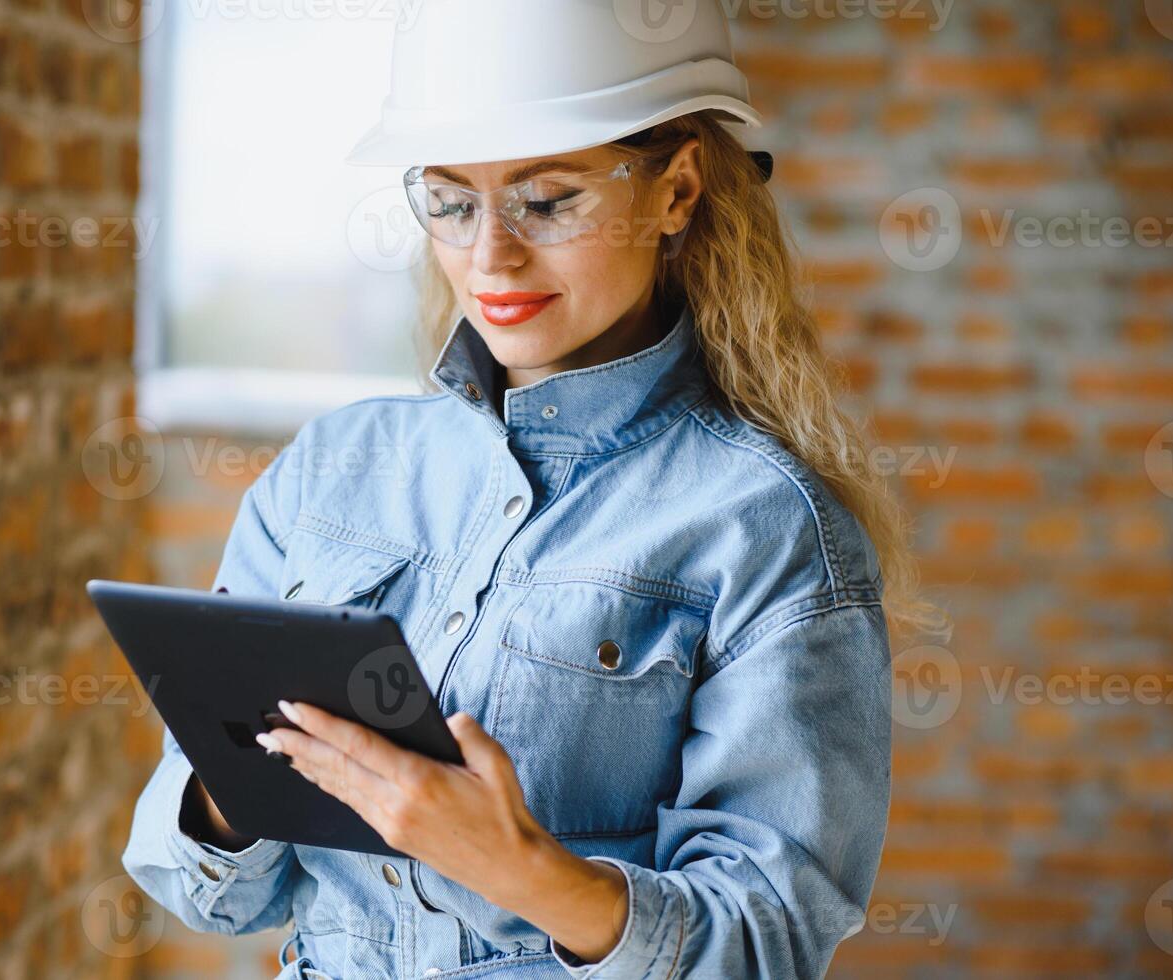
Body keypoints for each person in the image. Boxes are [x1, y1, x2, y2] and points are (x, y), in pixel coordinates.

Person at [123, 2, 946, 976]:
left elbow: (766, 942)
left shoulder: (764, 525)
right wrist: (240, 776)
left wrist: (522, 869)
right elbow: (196, 883)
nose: (491, 255)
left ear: (675, 188)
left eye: (548, 199)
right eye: (450, 201)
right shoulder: (330, 469)